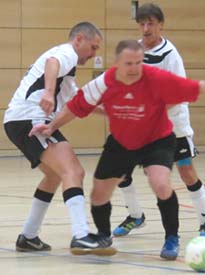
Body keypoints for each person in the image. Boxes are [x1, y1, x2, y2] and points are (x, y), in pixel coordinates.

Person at [29, 40, 205, 260]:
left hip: (156, 140)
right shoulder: (104, 83)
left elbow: (202, 87)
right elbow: (75, 107)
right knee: (98, 194)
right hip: (121, 142)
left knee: (160, 184)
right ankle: (102, 237)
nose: (135, 68)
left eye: (139, 63)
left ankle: (171, 238)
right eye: (129, 64)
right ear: (117, 63)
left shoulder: (156, 79)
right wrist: (51, 127)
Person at [3, 21, 116, 256]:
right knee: (73, 171)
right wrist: (47, 91)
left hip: (22, 120)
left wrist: (112, 113)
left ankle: (28, 236)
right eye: (93, 47)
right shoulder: (65, 54)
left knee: (55, 176)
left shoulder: (68, 71)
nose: (95, 53)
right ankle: (82, 235)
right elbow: (51, 64)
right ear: (79, 40)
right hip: (30, 119)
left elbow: (77, 101)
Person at [113, 3, 205, 239]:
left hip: (172, 126)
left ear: (161, 24)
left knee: (187, 172)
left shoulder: (171, 56)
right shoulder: (135, 51)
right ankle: (135, 215)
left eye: (151, 23)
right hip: (139, 127)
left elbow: (179, 95)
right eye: (142, 24)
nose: (146, 28)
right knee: (120, 170)